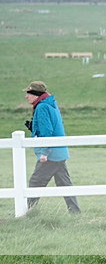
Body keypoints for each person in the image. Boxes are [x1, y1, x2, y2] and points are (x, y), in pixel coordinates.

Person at [24, 81, 80, 213]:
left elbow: (47, 131)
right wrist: (34, 128)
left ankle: (26, 212)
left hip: (51, 154)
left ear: (36, 94)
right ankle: (75, 212)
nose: (26, 96)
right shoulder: (51, 104)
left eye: (29, 93)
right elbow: (51, 126)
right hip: (59, 152)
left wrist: (44, 152)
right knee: (64, 184)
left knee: (35, 182)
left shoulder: (42, 107)